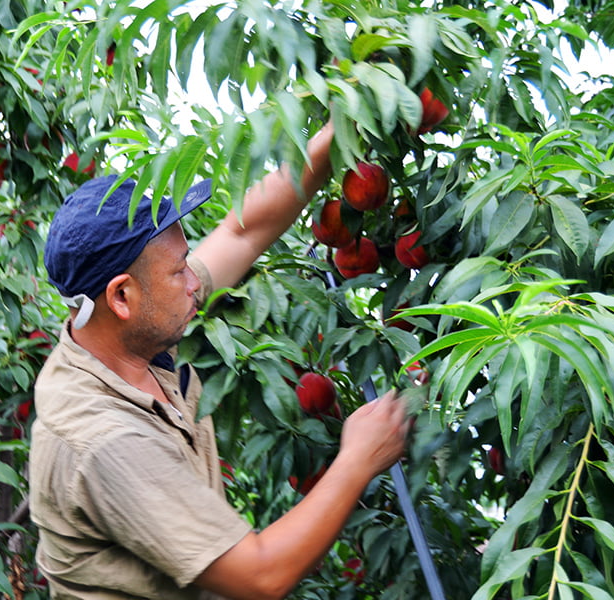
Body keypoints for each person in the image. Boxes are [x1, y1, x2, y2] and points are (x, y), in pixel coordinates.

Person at [30, 121, 409, 600]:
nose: (195, 282)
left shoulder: (127, 333)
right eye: (178, 270)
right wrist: (359, 458)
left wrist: (338, 134)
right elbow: (260, 576)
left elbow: (242, 233)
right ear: (121, 296)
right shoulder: (103, 440)